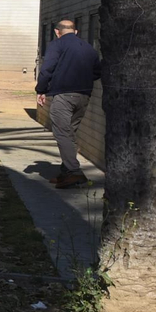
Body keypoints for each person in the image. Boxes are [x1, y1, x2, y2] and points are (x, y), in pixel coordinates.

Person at [36, 17, 101, 188]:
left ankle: (74, 172)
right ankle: (66, 173)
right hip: (84, 96)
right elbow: (97, 72)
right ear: (76, 31)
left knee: (62, 133)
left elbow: (46, 69)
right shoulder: (89, 48)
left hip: (64, 96)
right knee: (70, 133)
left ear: (57, 32)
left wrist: (41, 90)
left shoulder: (57, 45)